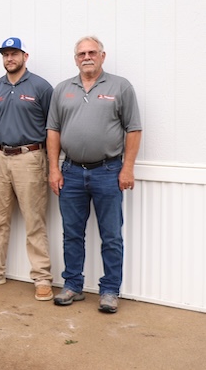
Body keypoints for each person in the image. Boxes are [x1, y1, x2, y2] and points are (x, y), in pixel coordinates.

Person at [47, 36, 141, 313]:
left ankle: (110, 290)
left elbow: (133, 129)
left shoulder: (120, 86)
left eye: (92, 52)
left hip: (108, 171)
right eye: (81, 54)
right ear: (75, 58)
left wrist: (128, 168)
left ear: (102, 55)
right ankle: (72, 285)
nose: (86, 57)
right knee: (71, 233)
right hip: (71, 172)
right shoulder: (63, 89)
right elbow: (53, 130)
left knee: (111, 235)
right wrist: (54, 168)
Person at [0, 38, 54, 301]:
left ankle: (42, 277)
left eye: (14, 53)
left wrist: (51, 164)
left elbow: (52, 126)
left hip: (30, 157)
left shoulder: (41, 86)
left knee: (34, 220)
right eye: (6, 54)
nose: (10, 58)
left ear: (25, 56)